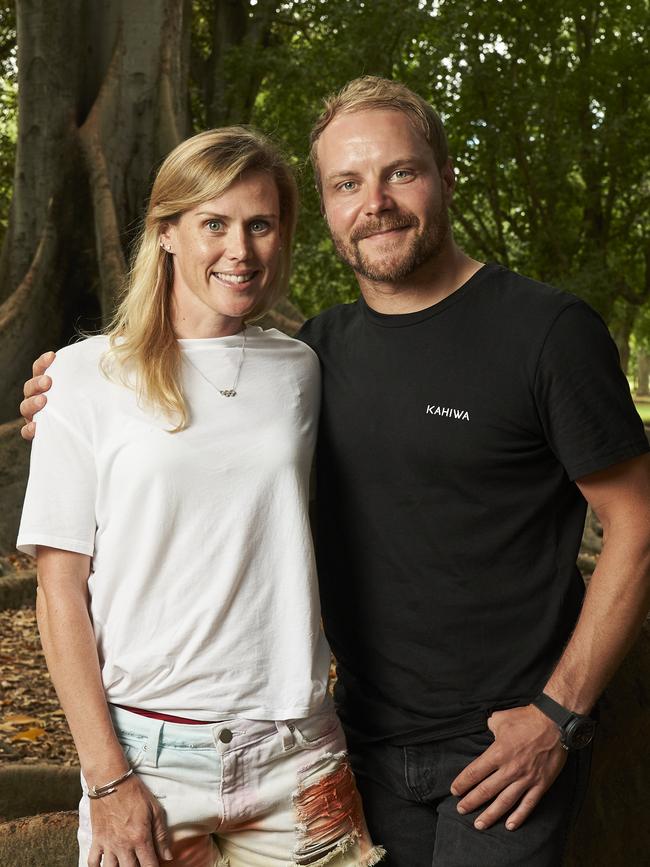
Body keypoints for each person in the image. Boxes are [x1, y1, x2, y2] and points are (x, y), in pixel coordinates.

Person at [20, 78, 650, 867]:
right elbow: (77, 566)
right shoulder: (318, 352)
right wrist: (70, 385)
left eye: (401, 172)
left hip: (485, 745)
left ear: (446, 175)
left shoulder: (534, 333)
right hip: (352, 743)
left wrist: (560, 713)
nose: (375, 202)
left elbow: (638, 523)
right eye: (347, 183)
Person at [16, 126, 384, 867]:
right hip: (146, 756)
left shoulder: (303, 370)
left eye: (260, 224)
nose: (239, 250)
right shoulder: (82, 379)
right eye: (213, 223)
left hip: (298, 751)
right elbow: (60, 594)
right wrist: (106, 775)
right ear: (167, 234)